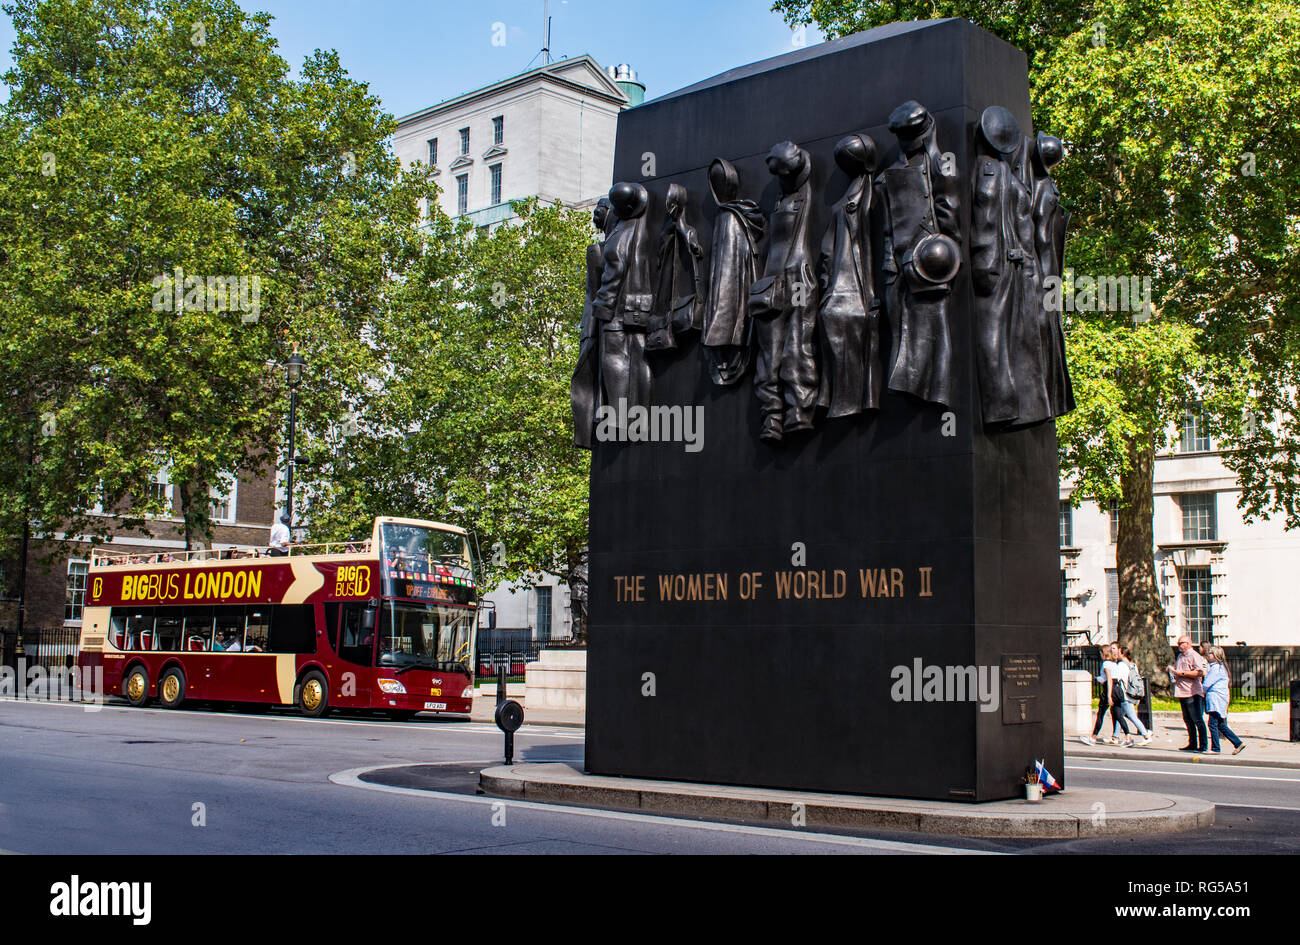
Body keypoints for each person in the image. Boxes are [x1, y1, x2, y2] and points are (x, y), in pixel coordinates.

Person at [1080, 644, 1128, 745]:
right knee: (1118, 715)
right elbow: (1115, 678)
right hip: (1117, 689)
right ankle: (1128, 736)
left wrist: (1109, 695)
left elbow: (1109, 679)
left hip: (1109, 690)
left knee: (1101, 714)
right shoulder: (1114, 664)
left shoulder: (1106, 664)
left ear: (1103, 654)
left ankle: (1093, 737)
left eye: (1101, 653)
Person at [1168, 634, 1208, 752]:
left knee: (1197, 719)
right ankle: (1192, 743)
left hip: (1192, 692)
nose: (1179, 646)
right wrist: (1172, 669)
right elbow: (1178, 668)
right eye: (1178, 644)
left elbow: (1199, 672)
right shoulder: (1180, 656)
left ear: (1188, 644)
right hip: (1182, 691)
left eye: (1181, 643)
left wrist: (1182, 673)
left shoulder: (1194, 655)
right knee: (1187, 719)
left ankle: (1203, 745)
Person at [1204, 646, 1246, 754]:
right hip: (1219, 699)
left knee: (1212, 724)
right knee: (1221, 724)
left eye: (1211, 653)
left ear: (1216, 656)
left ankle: (1215, 748)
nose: (1208, 655)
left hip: (1216, 699)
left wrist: (1202, 691)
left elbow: (1207, 683)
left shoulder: (1216, 668)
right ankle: (1238, 743)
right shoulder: (1219, 667)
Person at [1114, 647, 1153, 746]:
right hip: (1132, 693)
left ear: (1122, 654)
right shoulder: (1133, 665)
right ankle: (1115, 736)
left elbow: (1119, 680)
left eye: (1118, 652)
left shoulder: (1121, 665)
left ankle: (1146, 735)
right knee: (1120, 716)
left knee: (1131, 716)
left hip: (1124, 695)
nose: (1116, 654)